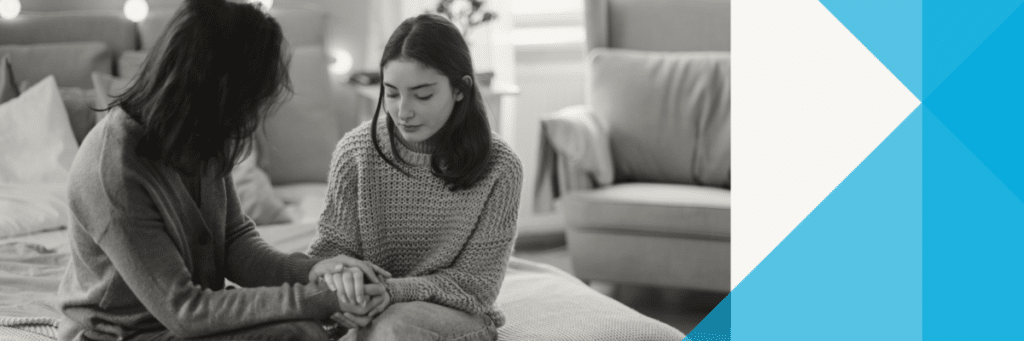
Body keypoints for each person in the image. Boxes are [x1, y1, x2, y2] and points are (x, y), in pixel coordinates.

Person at [56, 1, 386, 340]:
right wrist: (320, 297)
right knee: (300, 333)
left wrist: (312, 271)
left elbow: (233, 242)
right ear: (219, 90)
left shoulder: (201, 134)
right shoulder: (114, 169)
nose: (254, 117)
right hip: (123, 333)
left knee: (312, 328)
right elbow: (185, 310)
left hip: (185, 319)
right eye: (251, 101)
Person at [307, 13, 523, 341]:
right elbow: (330, 253)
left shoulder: (501, 168)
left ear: (460, 89)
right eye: (391, 93)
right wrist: (345, 282)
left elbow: (476, 286)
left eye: (422, 96)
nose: (403, 111)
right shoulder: (355, 152)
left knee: (391, 329)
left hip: (452, 312)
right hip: (371, 304)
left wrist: (393, 291)